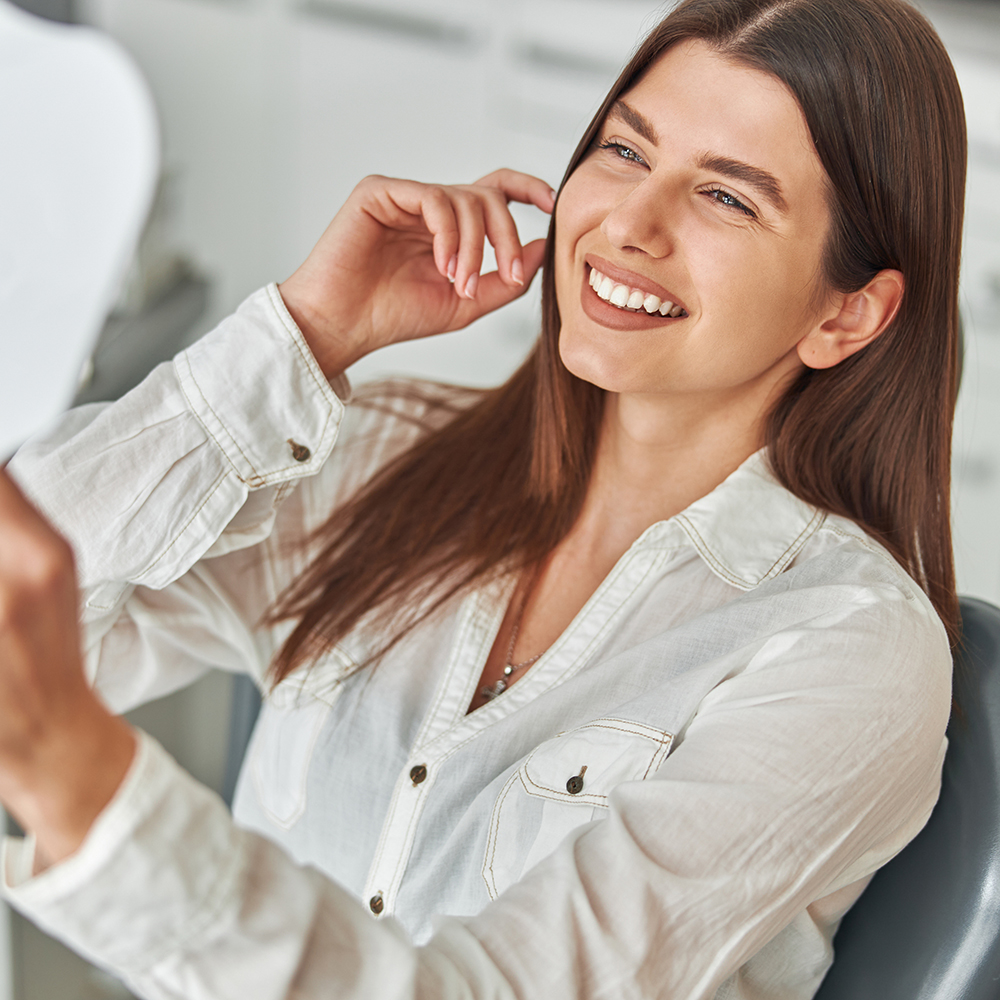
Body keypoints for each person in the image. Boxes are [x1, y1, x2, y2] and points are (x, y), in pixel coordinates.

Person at [0, 0, 966, 996]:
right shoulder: (384, 456)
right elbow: (24, 605)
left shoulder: (849, 650)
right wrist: (301, 334)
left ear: (847, 313)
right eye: (626, 153)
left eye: (724, 197)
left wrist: (96, 800)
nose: (628, 225)